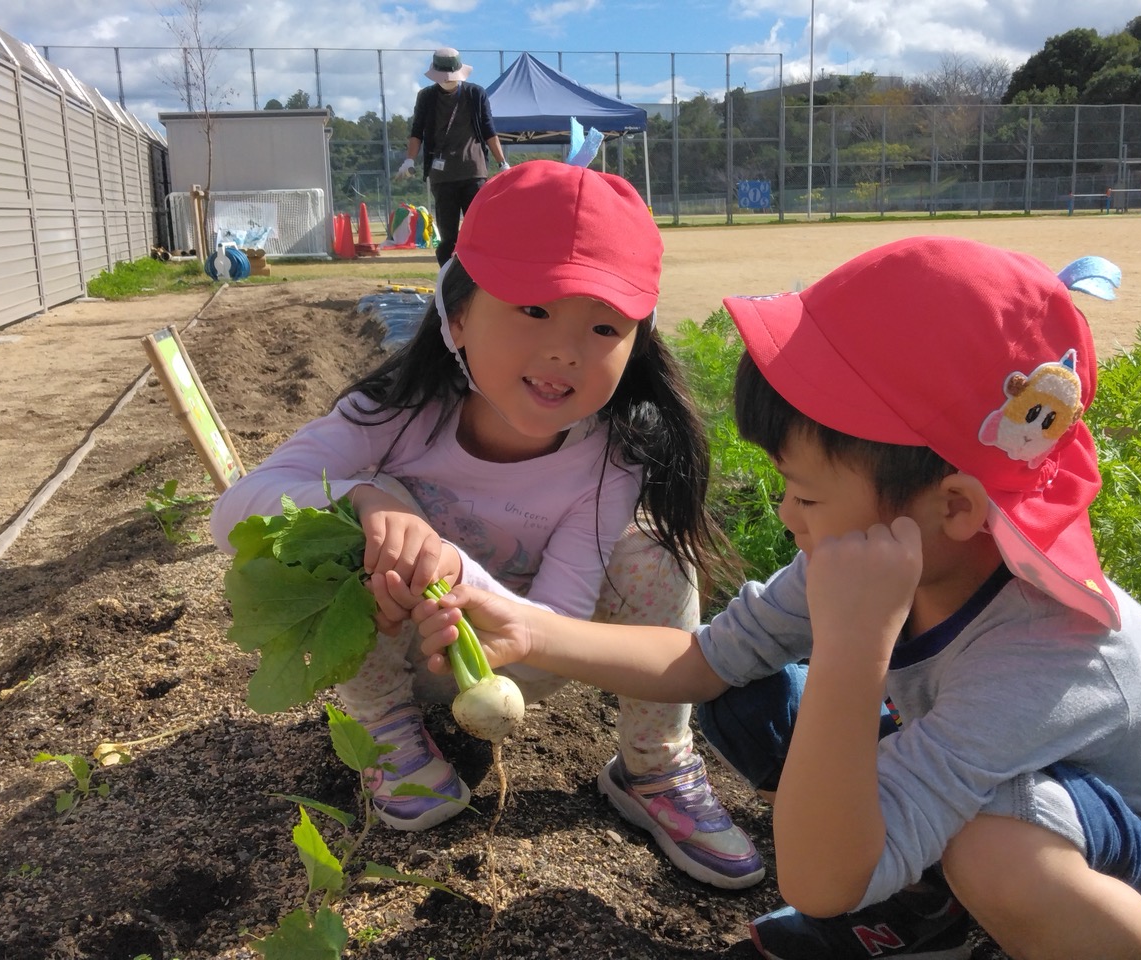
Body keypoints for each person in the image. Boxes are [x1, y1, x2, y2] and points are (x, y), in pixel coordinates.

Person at [406, 235, 1141, 960]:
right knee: (745, 697)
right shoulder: (885, 544)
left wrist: (854, 647)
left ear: (958, 507)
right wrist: (533, 631)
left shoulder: (1051, 652)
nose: (789, 515)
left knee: (992, 843)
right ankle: (928, 908)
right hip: (1018, 797)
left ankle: (994, 920)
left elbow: (821, 881)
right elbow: (702, 660)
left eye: (807, 495)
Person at [210, 160, 765, 891]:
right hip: (392, 648)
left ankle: (654, 767)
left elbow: (554, 625)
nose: (565, 351)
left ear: (636, 345)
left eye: (603, 326)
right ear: (458, 314)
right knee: (345, 518)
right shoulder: (394, 412)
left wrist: (460, 582)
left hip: (512, 658)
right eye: (533, 309)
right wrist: (364, 506)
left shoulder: (613, 456)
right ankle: (385, 731)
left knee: (655, 557)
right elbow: (233, 513)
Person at [396, 47, 509, 267]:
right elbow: (417, 131)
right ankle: (447, 280)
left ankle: (480, 278)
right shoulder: (426, 97)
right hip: (442, 177)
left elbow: (489, 130)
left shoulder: (475, 94)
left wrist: (502, 162)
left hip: (473, 173)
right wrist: (409, 159)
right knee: (448, 238)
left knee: (479, 232)